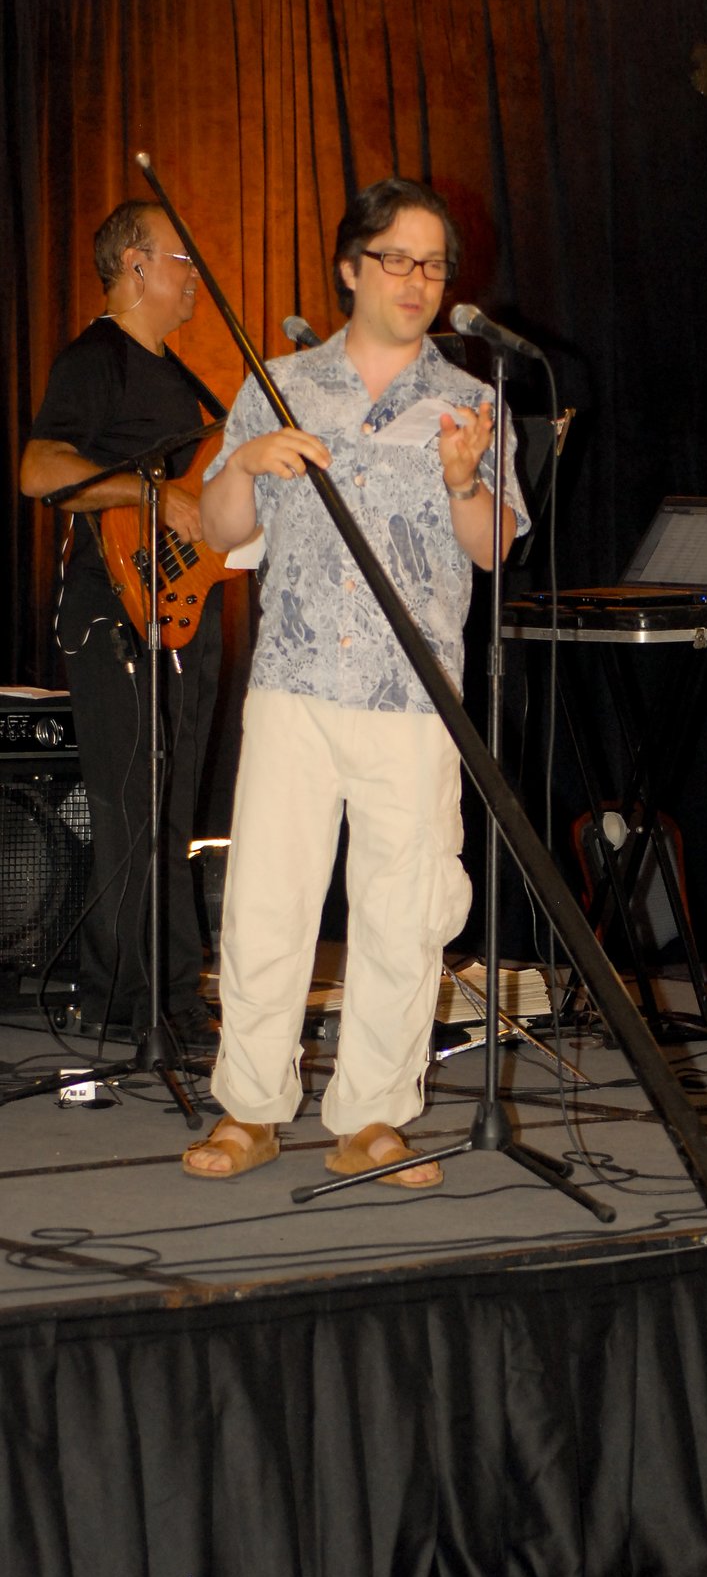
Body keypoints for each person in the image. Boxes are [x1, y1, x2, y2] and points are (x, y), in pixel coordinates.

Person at [184, 176, 526, 1183]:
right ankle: (247, 1109)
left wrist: (467, 481)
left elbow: (495, 548)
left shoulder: (470, 399)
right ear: (350, 267)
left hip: (414, 692)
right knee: (266, 901)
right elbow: (217, 528)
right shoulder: (280, 380)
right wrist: (246, 459)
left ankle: (373, 1115)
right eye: (397, 259)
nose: (418, 280)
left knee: (405, 904)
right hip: (293, 680)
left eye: (433, 264)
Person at [20, 201, 225, 1051]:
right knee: (129, 809)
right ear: (136, 265)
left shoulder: (182, 381)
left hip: (186, 612)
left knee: (173, 811)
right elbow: (39, 469)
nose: (195, 280)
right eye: (183, 262)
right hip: (113, 610)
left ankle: (174, 997)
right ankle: (118, 1002)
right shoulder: (94, 358)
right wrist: (149, 493)